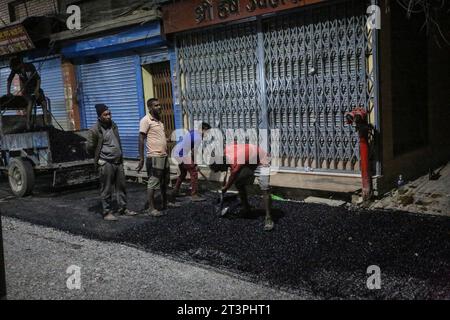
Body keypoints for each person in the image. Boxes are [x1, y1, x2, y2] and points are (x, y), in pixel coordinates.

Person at [87, 104, 137, 221]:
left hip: (118, 162)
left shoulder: (113, 125)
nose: (109, 116)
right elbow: (89, 147)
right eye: (105, 114)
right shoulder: (94, 130)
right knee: (107, 188)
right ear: (100, 116)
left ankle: (123, 209)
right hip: (106, 163)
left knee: (121, 187)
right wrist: (99, 159)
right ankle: (107, 212)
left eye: (109, 114)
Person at [209, 143, 274, 231]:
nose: (221, 171)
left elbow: (233, 175)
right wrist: (225, 182)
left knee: (265, 188)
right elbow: (228, 171)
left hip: (262, 160)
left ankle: (268, 217)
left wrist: (225, 188)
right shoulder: (225, 154)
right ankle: (247, 210)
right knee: (239, 183)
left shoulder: (236, 161)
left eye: (220, 169)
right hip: (249, 161)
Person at [137, 98, 179, 216]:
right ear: (150, 108)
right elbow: (141, 138)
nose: (159, 107)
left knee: (164, 181)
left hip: (164, 156)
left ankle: (165, 203)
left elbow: (157, 137)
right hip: (154, 156)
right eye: (156, 105)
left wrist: (168, 140)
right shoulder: (146, 120)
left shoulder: (159, 121)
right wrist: (141, 158)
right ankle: (151, 208)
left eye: (160, 105)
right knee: (153, 182)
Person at [171, 122, 211, 202]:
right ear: (203, 130)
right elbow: (194, 152)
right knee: (194, 172)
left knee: (183, 173)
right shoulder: (198, 137)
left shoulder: (193, 132)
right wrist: (195, 164)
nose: (208, 134)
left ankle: (175, 191)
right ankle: (194, 195)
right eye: (208, 131)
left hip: (176, 153)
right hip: (182, 154)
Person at [6, 56, 50, 128]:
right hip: (26, 90)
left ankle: (46, 122)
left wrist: (36, 90)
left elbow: (38, 79)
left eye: (15, 67)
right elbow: (9, 80)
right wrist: (8, 92)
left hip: (36, 87)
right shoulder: (15, 70)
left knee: (44, 102)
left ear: (20, 64)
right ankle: (28, 124)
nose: (15, 70)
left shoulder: (30, 66)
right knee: (30, 102)